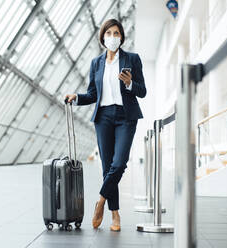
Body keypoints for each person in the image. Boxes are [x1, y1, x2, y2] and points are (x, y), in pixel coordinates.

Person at [64, 18, 146, 232]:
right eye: (109, 33)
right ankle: (115, 214)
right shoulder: (96, 63)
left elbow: (143, 91)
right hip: (103, 118)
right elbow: (93, 93)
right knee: (107, 167)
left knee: (119, 164)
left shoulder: (132, 59)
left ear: (122, 37)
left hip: (126, 116)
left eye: (116, 33)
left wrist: (129, 83)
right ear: (103, 37)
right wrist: (77, 97)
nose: (112, 37)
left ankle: (100, 201)